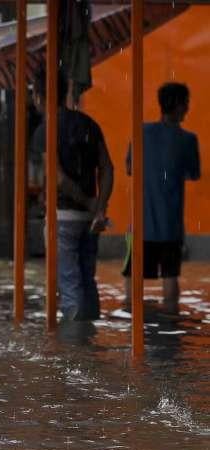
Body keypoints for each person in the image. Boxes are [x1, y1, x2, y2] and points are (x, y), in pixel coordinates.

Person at [31, 72, 114, 322]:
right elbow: (107, 168)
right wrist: (99, 207)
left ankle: (74, 351)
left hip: (63, 217)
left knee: (69, 287)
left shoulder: (45, 130)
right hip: (90, 219)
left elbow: (58, 179)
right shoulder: (89, 124)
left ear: (38, 96)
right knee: (87, 281)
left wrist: (89, 203)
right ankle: (91, 343)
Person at [122, 82, 200, 316]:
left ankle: (138, 326)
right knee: (170, 283)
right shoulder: (187, 140)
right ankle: (168, 327)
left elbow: (129, 168)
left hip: (140, 225)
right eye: (186, 103)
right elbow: (193, 174)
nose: (188, 108)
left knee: (132, 284)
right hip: (170, 227)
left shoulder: (141, 132)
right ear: (177, 106)